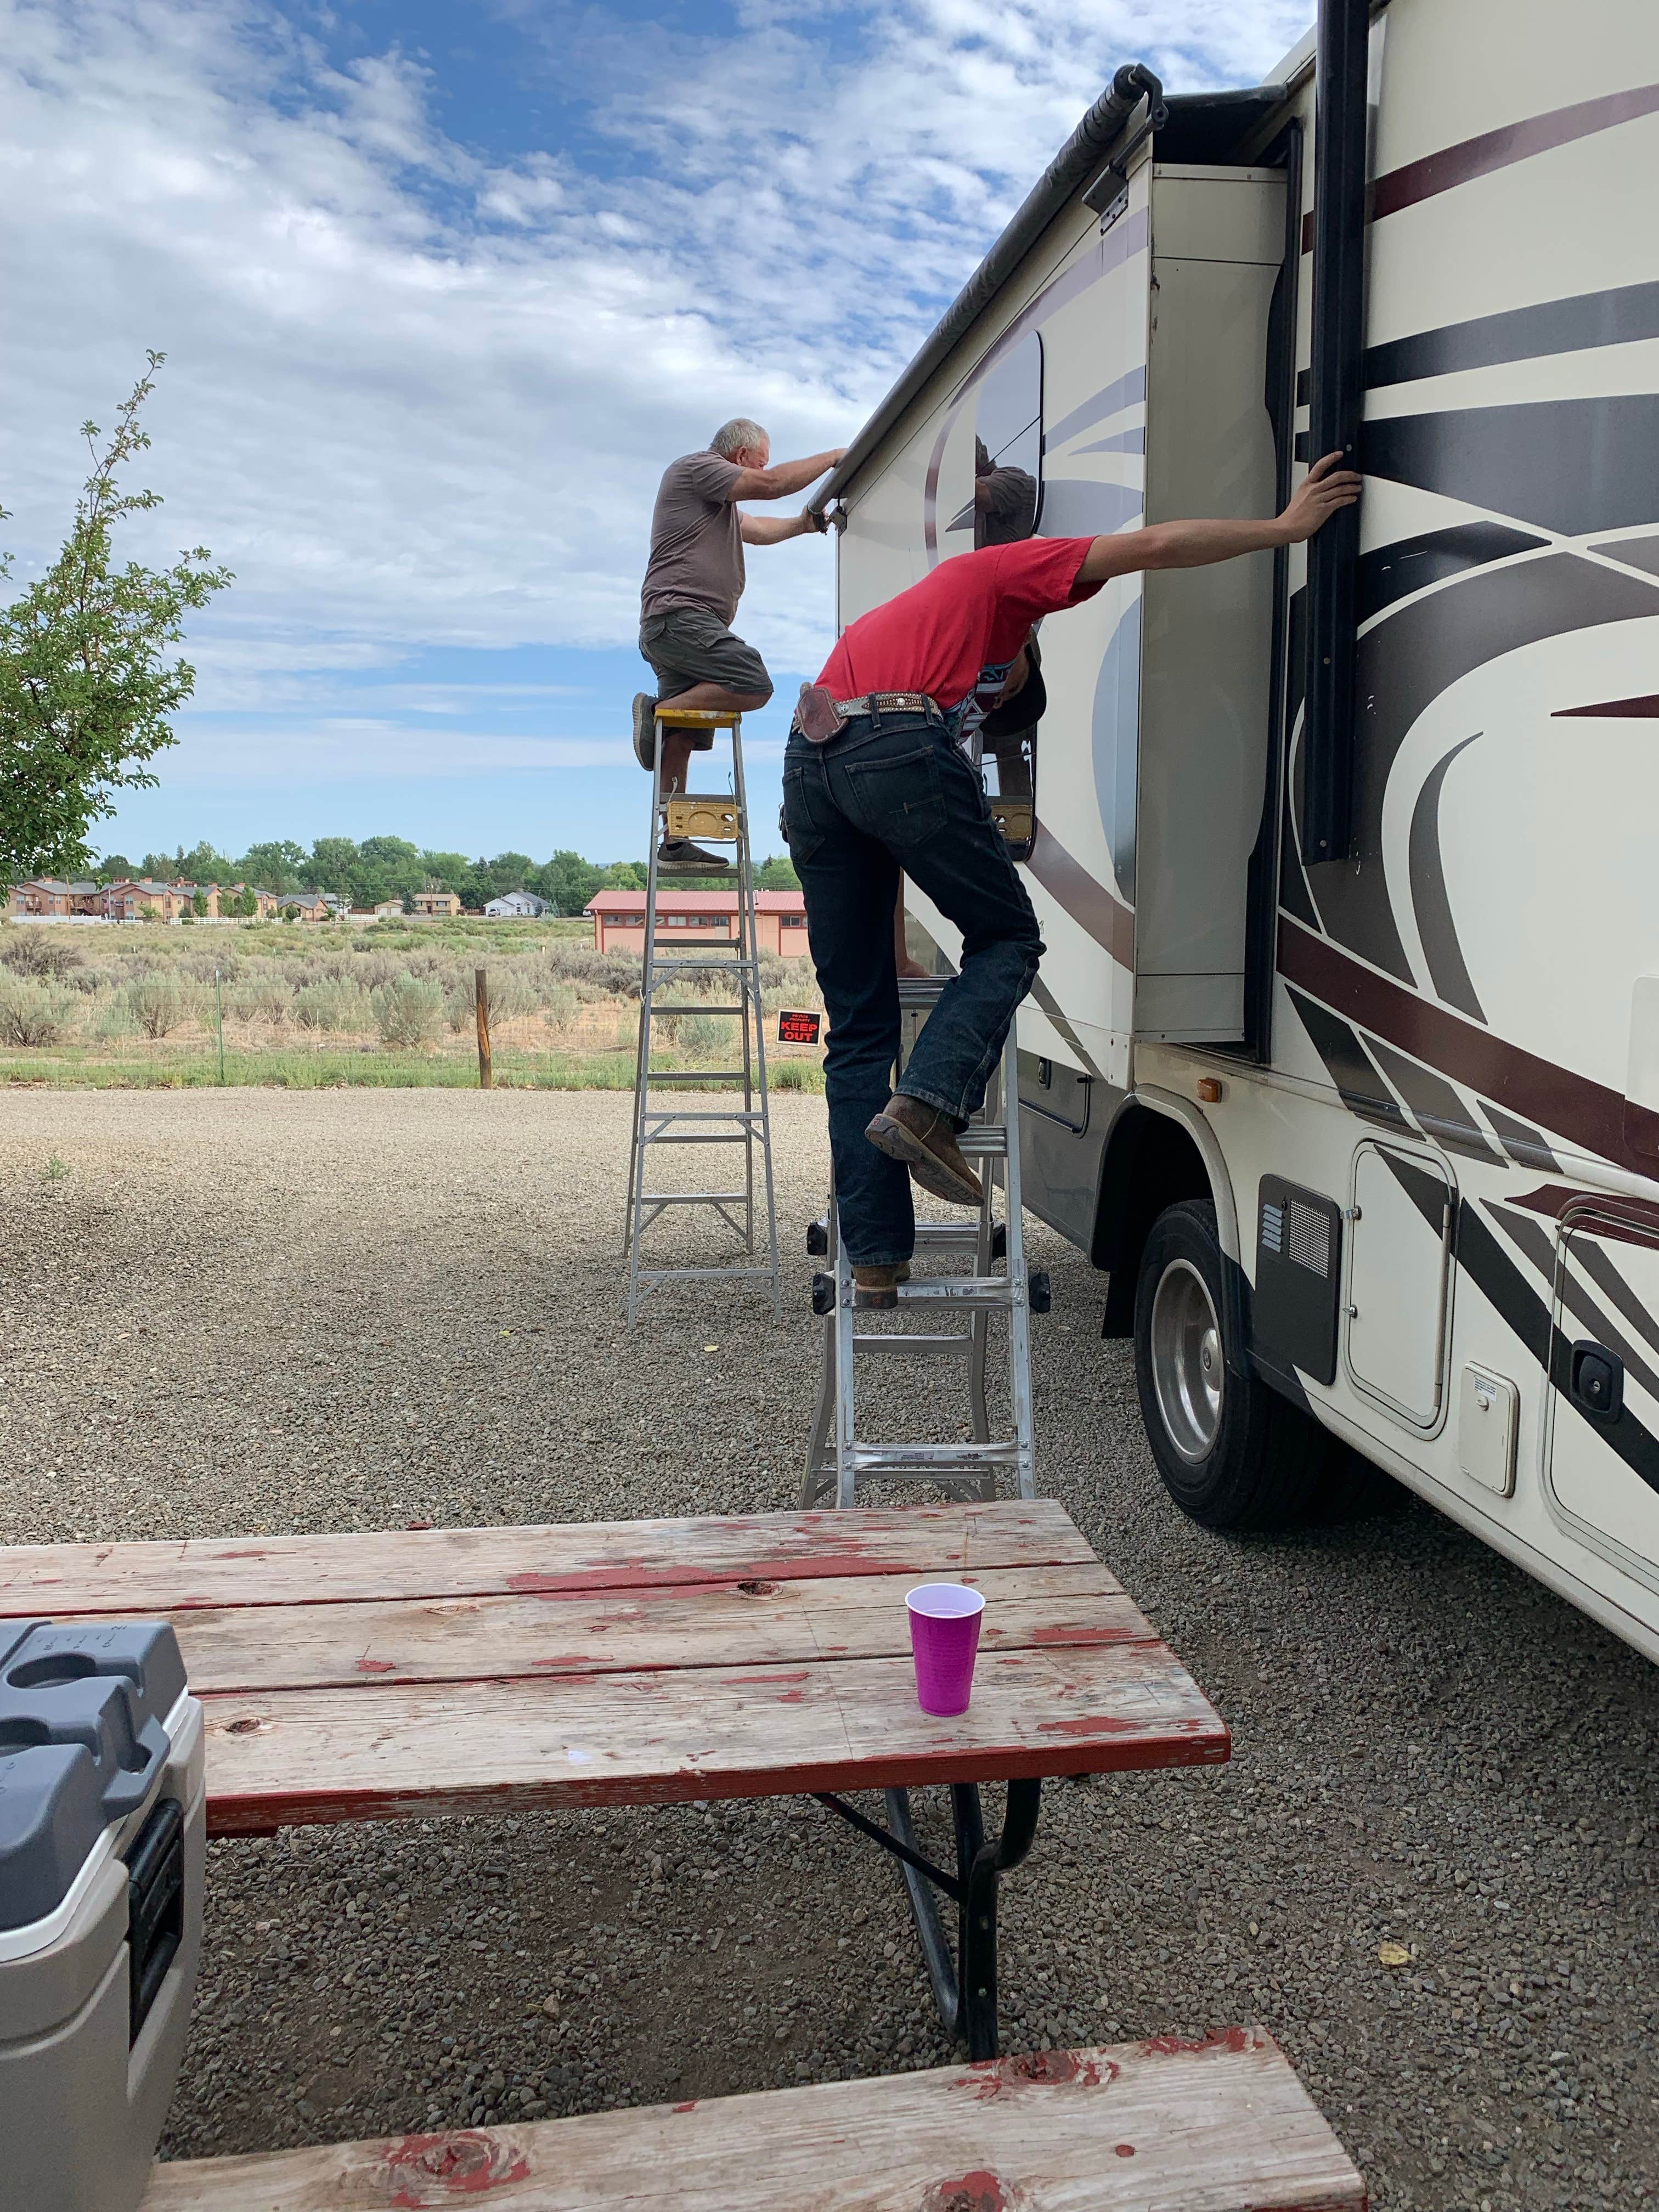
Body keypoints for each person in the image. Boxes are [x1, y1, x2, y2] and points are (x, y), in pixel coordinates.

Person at [784, 451, 1362, 1300]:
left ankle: (872, 1259)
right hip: (887, 748)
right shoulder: (1009, 576)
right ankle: (929, 1103)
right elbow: (1160, 544)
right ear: (1026, 650)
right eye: (998, 692)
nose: (989, 703)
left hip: (812, 757)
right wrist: (1284, 529)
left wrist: (896, 939)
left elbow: (870, 802)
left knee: (858, 1028)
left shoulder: (906, 636)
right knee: (1012, 936)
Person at [636, 419, 844, 870]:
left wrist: (803, 526)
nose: (763, 469)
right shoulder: (697, 469)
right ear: (740, 456)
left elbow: (759, 528)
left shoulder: (718, 507)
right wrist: (834, 458)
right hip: (680, 618)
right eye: (760, 461)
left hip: (678, 626)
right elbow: (769, 486)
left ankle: (674, 843)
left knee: (683, 732)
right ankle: (655, 712)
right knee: (754, 681)